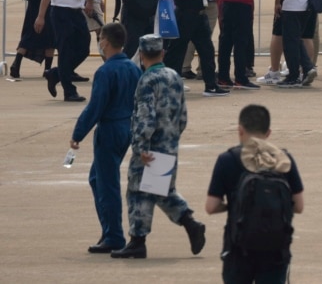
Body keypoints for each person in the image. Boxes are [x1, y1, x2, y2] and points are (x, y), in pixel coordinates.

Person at [111, 35, 207, 259]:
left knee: (137, 192)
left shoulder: (147, 80)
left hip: (150, 147)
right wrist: (173, 137)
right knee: (159, 190)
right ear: (162, 53)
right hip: (169, 143)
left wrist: (140, 147)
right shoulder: (174, 77)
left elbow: (146, 117)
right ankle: (189, 224)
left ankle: (138, 240)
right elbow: (182, 116)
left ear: (142, 55)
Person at [206, 105, 306, 282]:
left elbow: (211, 206)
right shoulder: (283, 159)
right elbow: (298, 206)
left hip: (238, 247)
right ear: (268, 132)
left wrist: (236, 204)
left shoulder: (227, 160)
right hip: (275, 248)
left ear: (240, 130)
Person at [69, 23, 142, 254]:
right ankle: (109, 230)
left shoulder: (105, 71)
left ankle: (113, 235)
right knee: (96, 179)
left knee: (107, 184)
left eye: (100, 39)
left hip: (110, 129)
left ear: (105, 42)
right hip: (127, 126)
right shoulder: (133, 68)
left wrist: (78, 133)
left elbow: (96, 107)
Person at [162, 0, 226, 96]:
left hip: (199, 15)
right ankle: (171, 84)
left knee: (207, 50)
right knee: (177, 51)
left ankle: (211, 85)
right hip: (185, 15)